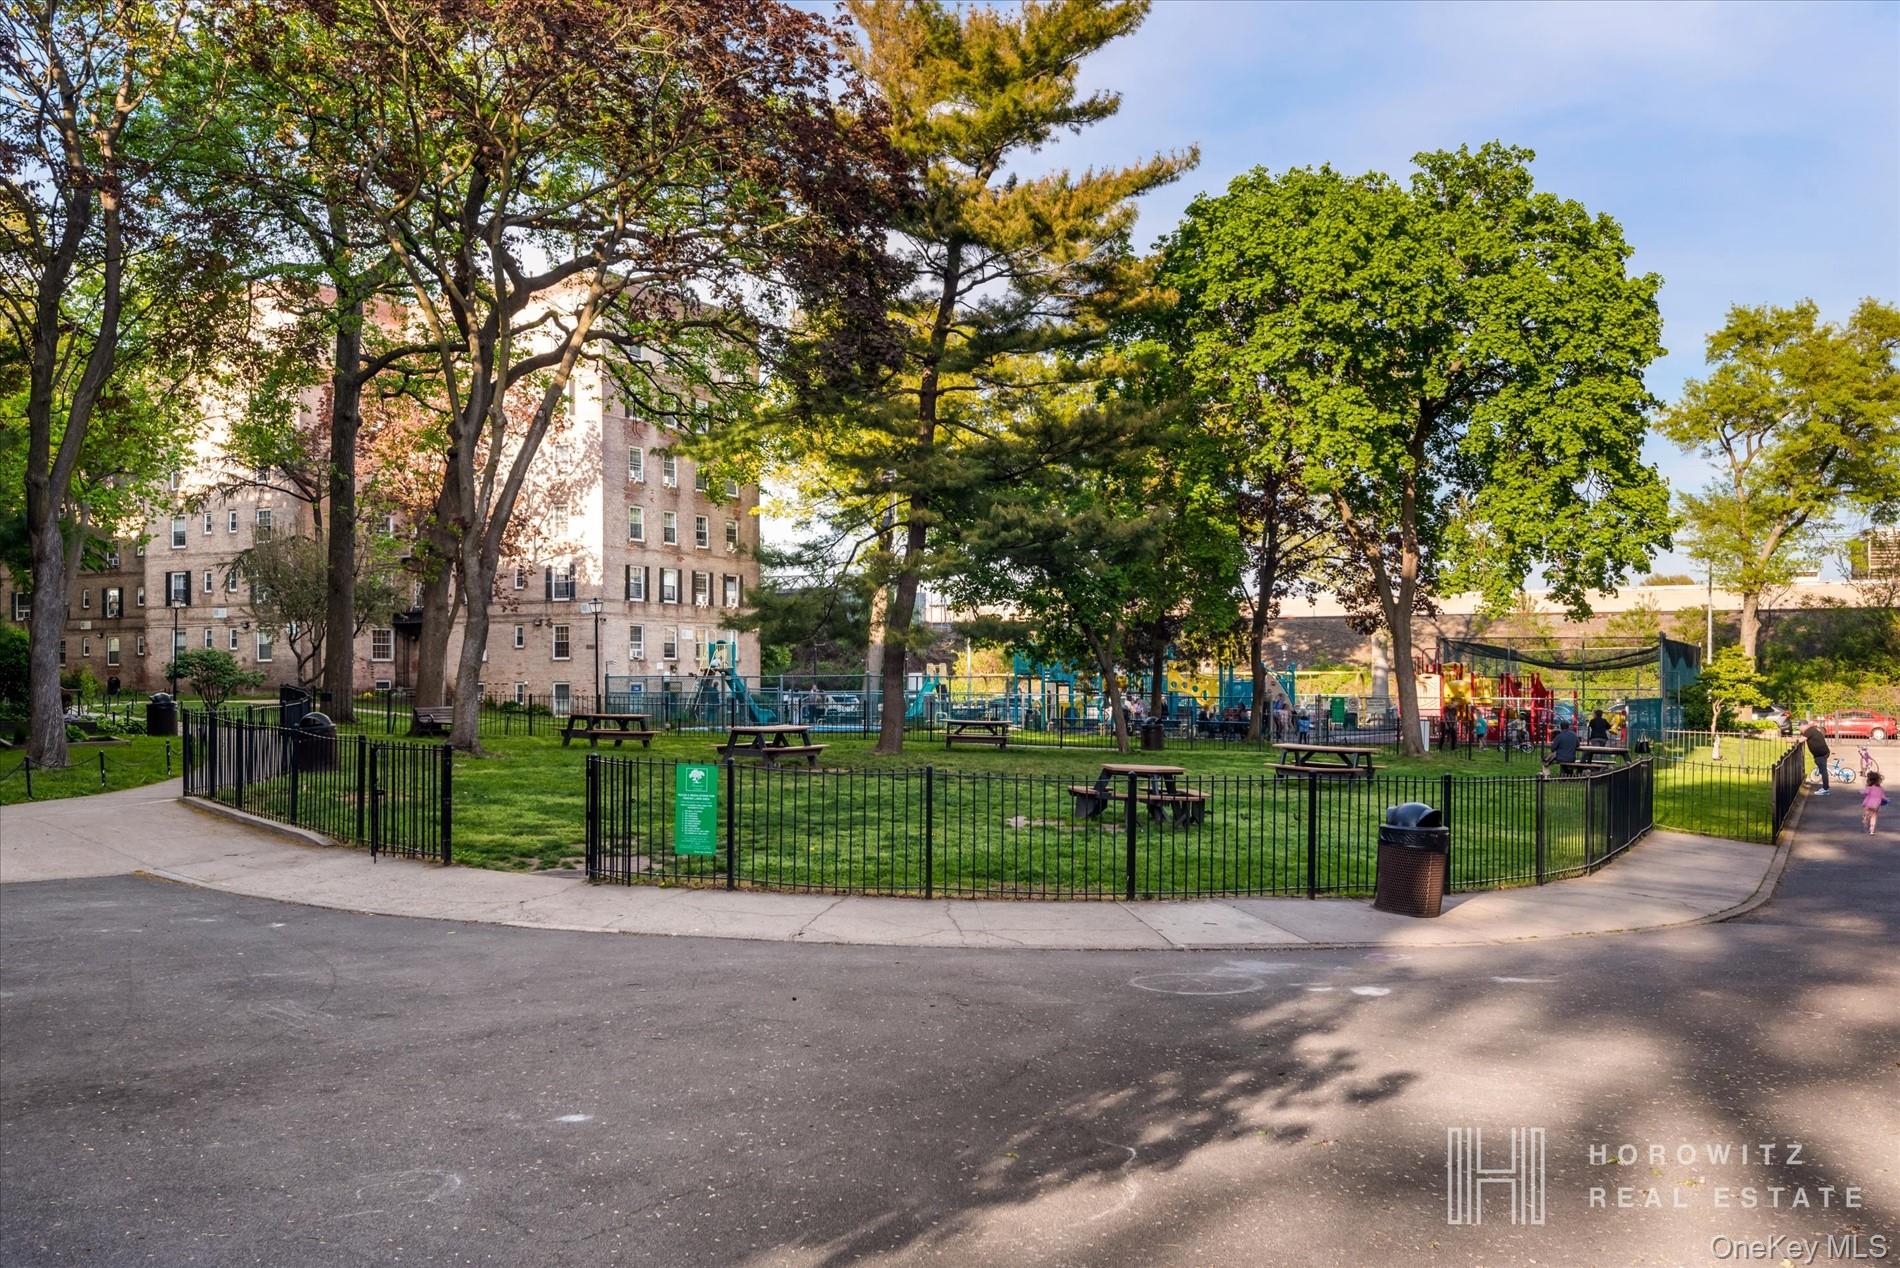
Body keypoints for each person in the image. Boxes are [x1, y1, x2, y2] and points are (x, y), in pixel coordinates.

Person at [1802, 718, 1831, 795]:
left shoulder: (1808, 731)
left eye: (1800, 728)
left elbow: (1802, 739)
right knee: (1823, 771)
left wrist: (1790, 740)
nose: (1800, 730)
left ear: (1803, 725)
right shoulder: (1812, 730)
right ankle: (1825, 788)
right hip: (1822, 753)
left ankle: (1825, 789)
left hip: (1821, 754)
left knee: (1823, 771)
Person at [1861, 772, 1887, 836]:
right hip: (1876, 805)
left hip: (1868, 803)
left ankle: (1865, 818)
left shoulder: (1869, 787)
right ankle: (1872, 831)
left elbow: (1865, 793)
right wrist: (1886, 800)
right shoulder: (1880, 788)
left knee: (1867, 813)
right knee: (1874, 817)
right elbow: (1883, 797)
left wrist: (1862, 791)